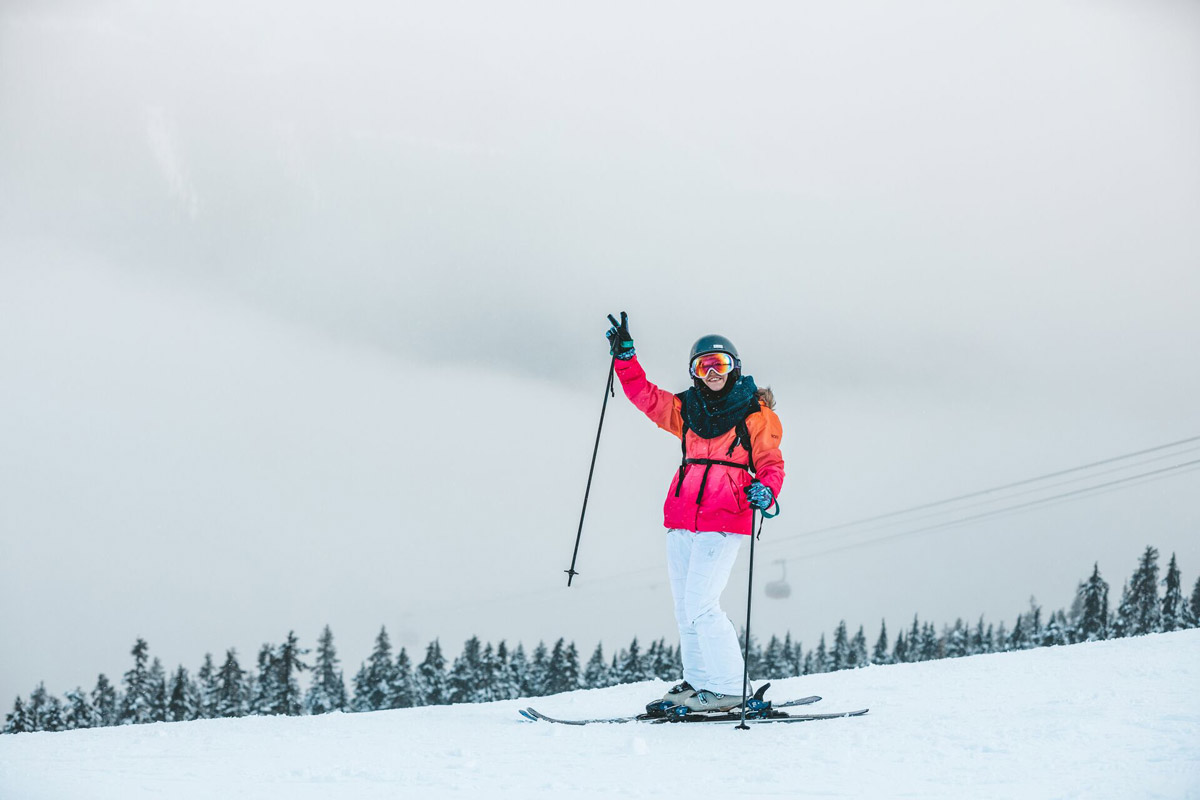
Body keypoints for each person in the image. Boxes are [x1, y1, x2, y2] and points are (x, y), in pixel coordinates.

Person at [605, 312, 784, 712]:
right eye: (702, 365)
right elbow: (646, 396)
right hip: (682, 520)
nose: (711, 372)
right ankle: (699, 682)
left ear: (734, 367)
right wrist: (626, 359)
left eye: (719, 364)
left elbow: (771, 463)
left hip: (726, 517)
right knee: (686, 608)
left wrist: (766, 490)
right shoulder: (688, 409)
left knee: (703, 604)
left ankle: (730, 687)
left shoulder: (755, 414)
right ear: (694, 372)